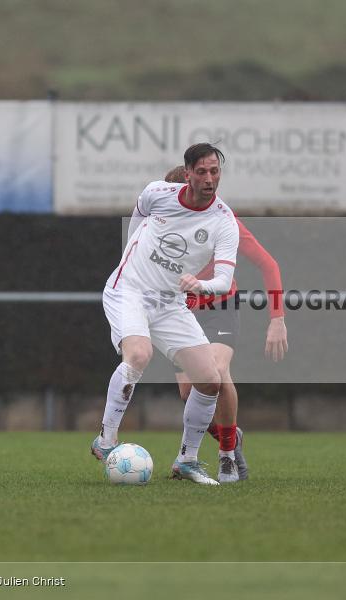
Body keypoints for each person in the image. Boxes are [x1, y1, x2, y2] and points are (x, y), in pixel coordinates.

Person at [92, 143, 239, 486]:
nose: (209, 179)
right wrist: (131, 259)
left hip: (170, 302)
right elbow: (139, 216)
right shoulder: (157, 193)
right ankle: (106, 439)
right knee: (139, 354)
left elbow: (224, 279)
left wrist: (200, 286)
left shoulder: (224, 221)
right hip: (128, 291)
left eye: (214, 172)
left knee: (209, 379)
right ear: (187, 173)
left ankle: (187, 460)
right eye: (201, 172)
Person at [162, 165, 287, 483]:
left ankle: (227, 455)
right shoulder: (160, 227)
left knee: (216, 372)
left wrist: (277, 319)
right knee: (190, 392)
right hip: (183, 313)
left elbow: (268, 263)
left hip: (220, 306)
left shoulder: (223, 222)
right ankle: (231, 436)